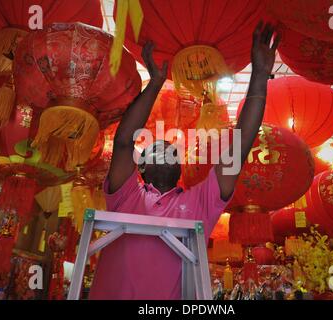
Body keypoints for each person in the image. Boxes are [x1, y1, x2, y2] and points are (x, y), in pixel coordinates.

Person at [89, 21, 280, 300]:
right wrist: (155, 83)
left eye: (173, 151)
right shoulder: (124, 195)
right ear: (140, 167)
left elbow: (239, 146)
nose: (168, 150)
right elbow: (123, 142)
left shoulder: (199, 203)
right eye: (157, 149)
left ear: (180, 168)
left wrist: (260, 76)